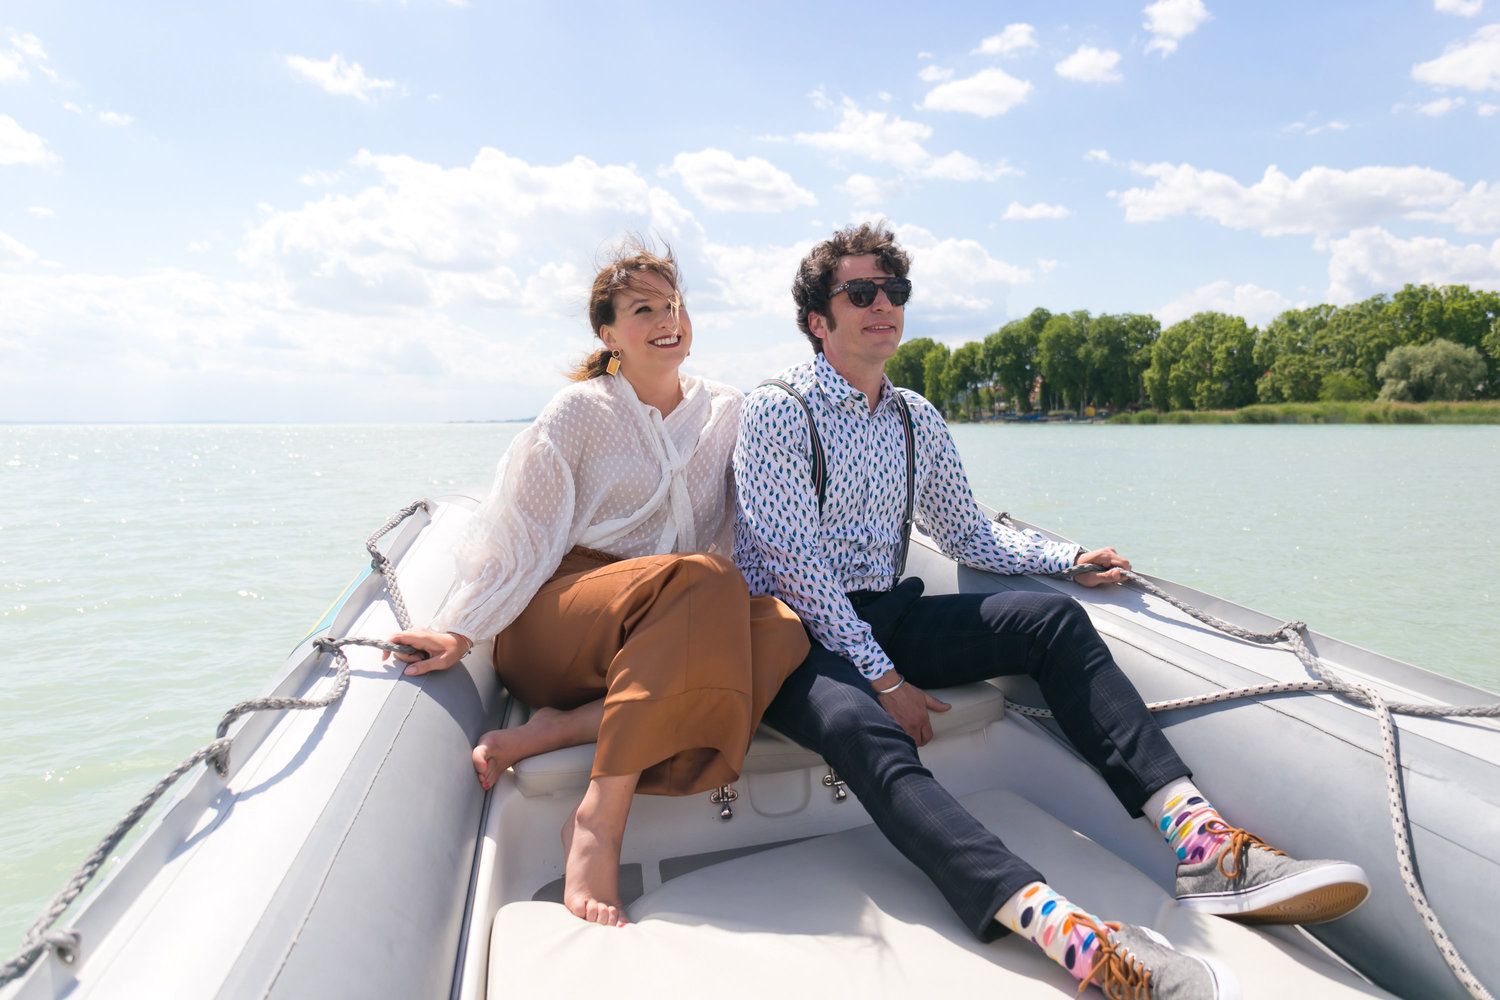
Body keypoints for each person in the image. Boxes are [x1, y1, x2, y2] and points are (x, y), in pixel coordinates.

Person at [731, 222, 1370, 1000]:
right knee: (859, 725)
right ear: (817, 320)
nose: (882, 305)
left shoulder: (914, 417)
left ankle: (1202, 846)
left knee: (1052, 623)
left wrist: (1064, 560)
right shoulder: (778, 411)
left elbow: (965, 533)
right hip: (792, 639)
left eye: (894, 290)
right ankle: (1073, 938)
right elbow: (795, 569)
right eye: (859, 293)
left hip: (881, 616)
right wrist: (884, 679)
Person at [388, 241, 808, 927]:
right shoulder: (579, 410)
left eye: (673, 304)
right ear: (609, 335)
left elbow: (757, 519)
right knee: (704, 579)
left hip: (669, 620)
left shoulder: (728, 411)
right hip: (559, 617)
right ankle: (597, 823)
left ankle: (564, 729)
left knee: (784, 629)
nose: (667, 319)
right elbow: (521, 532)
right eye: (643, 309)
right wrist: (460, 629)